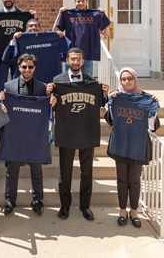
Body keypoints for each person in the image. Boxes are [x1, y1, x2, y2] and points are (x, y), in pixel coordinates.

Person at [47, 47, 109, 221]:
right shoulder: (57, 81)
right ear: (67, 60)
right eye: (72, 59)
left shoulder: (91, 82)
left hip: (87, 132)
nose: (75, 62)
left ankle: (85, 206)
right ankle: (65, 206)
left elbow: (101, 104)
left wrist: (104, 93)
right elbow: (51, 106)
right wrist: (49, 96)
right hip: (66, 132)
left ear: (83, 62)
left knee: (87, 172)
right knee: (64, 173)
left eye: (78, 59)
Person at [0, 53, 56, 216]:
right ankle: (10, 200)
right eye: (24, 67)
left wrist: (52, 103)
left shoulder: (42, 87)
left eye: (30, 67)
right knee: (12, 169)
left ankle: (37, 200)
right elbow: (2, 110)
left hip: (34, 135)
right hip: (15, 135)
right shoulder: (8, 87)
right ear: (18, 67)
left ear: (34, 68)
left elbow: (47, 110)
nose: (27, 70)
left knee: (36, 169)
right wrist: (2, 102)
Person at [106, 67, 160, 228]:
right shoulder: (116, 97)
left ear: (135, 79)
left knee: (135, 179)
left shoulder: (147, 99)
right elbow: (110, 120)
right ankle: (122, 210)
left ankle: (134, 210)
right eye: (123, 79)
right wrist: (110, 101)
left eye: (130, 78)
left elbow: (153, 127)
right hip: (120, 143)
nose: (127, 82)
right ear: (120, 81)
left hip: (138, 144)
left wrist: (154, 108)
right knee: (122, 179)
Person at [55, 0, 111, 77]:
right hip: (70, 52)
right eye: (78, 1)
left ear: (87, 2)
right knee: (66, 79)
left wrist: (103, 15)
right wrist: (60, 13)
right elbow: (54, 30)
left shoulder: (94, 15)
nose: (80, 3)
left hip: (87, 54)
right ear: (75, 3)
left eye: (82, 1)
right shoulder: (68, 14)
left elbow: (107, 33)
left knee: (87, 80)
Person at [2, 18, 70, 83]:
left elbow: (66, 56)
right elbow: (6, 58)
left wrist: (62, 38)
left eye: (36, 25)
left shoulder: (53, 38)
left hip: (50, 82)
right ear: (26, 29)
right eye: (30, 26)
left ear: (40, 29)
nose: (34, 28)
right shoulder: (21, 40)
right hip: (27, 83)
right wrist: (14, 40)